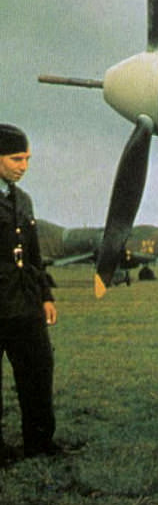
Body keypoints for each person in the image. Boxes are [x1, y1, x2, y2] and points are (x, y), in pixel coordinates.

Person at [0, 124, 60, 462]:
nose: (23, 166)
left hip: (25, 305)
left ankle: (40, 443)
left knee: (39, 371)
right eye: (15, 158)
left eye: (27, 159)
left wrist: (46, 296)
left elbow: (34, 256)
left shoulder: (23, 200)